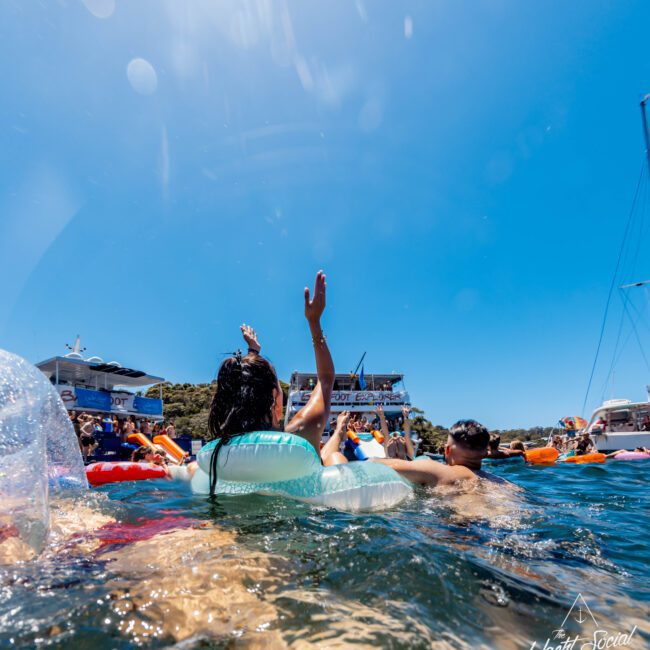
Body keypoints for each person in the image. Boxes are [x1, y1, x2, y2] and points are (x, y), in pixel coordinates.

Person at [205, 271, 346, 493]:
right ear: (274, 398)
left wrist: (253, 353)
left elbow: (243, 387)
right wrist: (314, 322)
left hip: (229, 525)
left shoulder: (217, 455)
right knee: (334, 457)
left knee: (330, 452)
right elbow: (326, 379)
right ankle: (337, 437)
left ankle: (336, 438)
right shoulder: (300, 433)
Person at [373, 419, 496, 487]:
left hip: (460, 530)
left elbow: (376, 464)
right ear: (485, 453)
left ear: (447, 450)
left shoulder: (437, 470)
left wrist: (391, 458)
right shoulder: (500, 481)